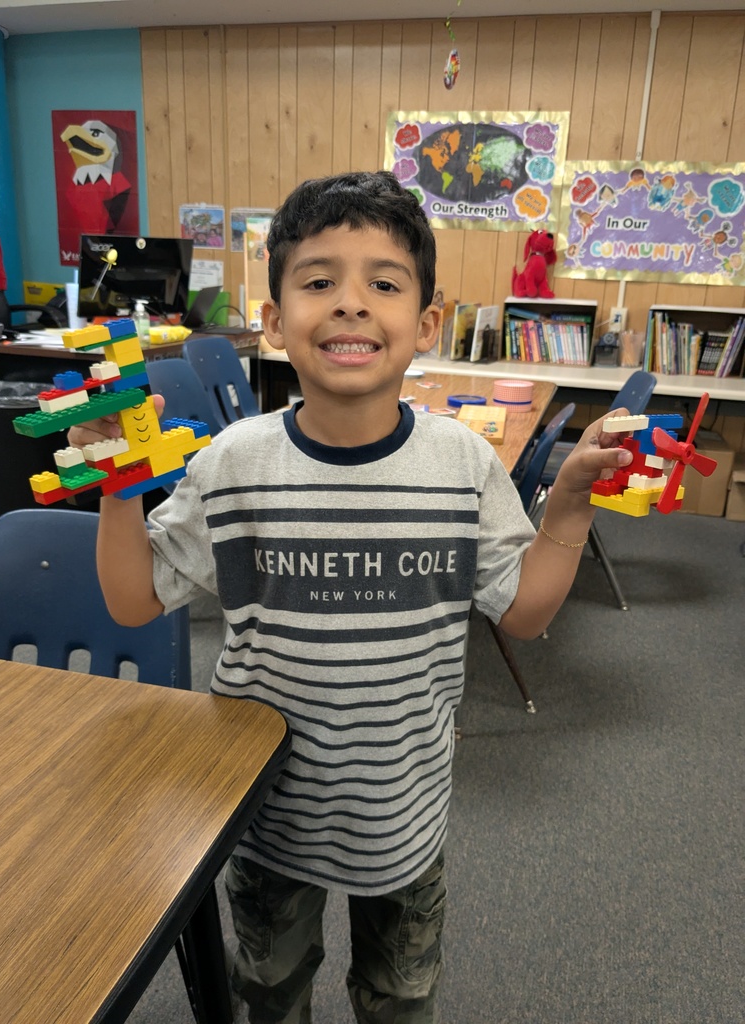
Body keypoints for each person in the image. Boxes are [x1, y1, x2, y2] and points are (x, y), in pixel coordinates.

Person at [68, 170, 633, 1024]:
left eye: (384, 282)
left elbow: (522, 612)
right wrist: (116, 486)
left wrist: (569, 503)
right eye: (319, 280)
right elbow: (132, 600)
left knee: (399, 999)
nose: (351, 303)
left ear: (427, 322)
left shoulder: (462, 466)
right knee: (269, 991)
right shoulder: (232, 463)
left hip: (400, 812)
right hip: (262, 813)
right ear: (273, 321)